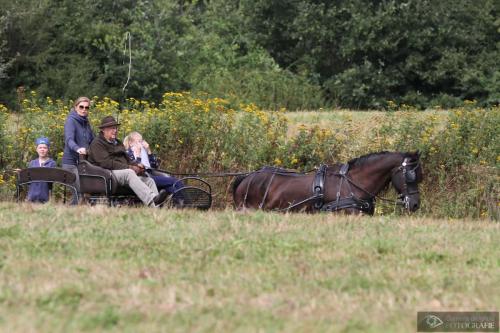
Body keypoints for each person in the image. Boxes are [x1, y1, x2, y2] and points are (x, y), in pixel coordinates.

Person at [87, 116, 168, 207]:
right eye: (112, 128)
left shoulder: (118, 142)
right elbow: (106, 163)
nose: (115, 130)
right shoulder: (97, 143)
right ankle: (152, 199)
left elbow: (127, 159)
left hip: (121, 172)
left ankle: (158, 209)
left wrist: (137, 165)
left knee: (149, 180)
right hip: (106, 174)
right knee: (129, 173)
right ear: (103, 130)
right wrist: (130, 167)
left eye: (116, 128)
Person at [62, 96, 94, 204]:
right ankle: (69, 215)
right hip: (70, 163)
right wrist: (77, 149)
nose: (84, 109)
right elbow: (69, 140)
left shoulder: (86, 122)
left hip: (84, 163)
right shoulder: (71, 121)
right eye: (81, 107)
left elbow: (92, 141)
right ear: (76, 107)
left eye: (87, 107)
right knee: (79, 192)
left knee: (89, 192)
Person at [26, 137, 57, 203]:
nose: (42, 150)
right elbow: (28, 181)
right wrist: (22, 173)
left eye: (44, 148)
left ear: (48, 149)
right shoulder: (32, 163)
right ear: (36, 149)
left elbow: (52, 181)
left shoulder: (52, 163)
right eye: (40, 148)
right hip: (31, 196)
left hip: (45, 197)